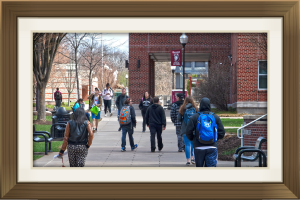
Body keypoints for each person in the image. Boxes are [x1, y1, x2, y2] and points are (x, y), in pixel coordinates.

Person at [186, 97, 225, 167]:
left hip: (198, 147)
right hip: (212, 147)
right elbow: (222, 132)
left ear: (200, 105)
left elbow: (188, 131)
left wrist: (194, 139)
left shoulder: (195, 117)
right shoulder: (215, 117)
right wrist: (214, 139)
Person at [177, 96, 198, 165]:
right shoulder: (195, 108)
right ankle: (193, 158)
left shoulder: (182, 108)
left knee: (187, 144)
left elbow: (179, 118)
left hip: (185, 129)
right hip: (194, 129)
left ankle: (188, 161)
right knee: (192, 144)